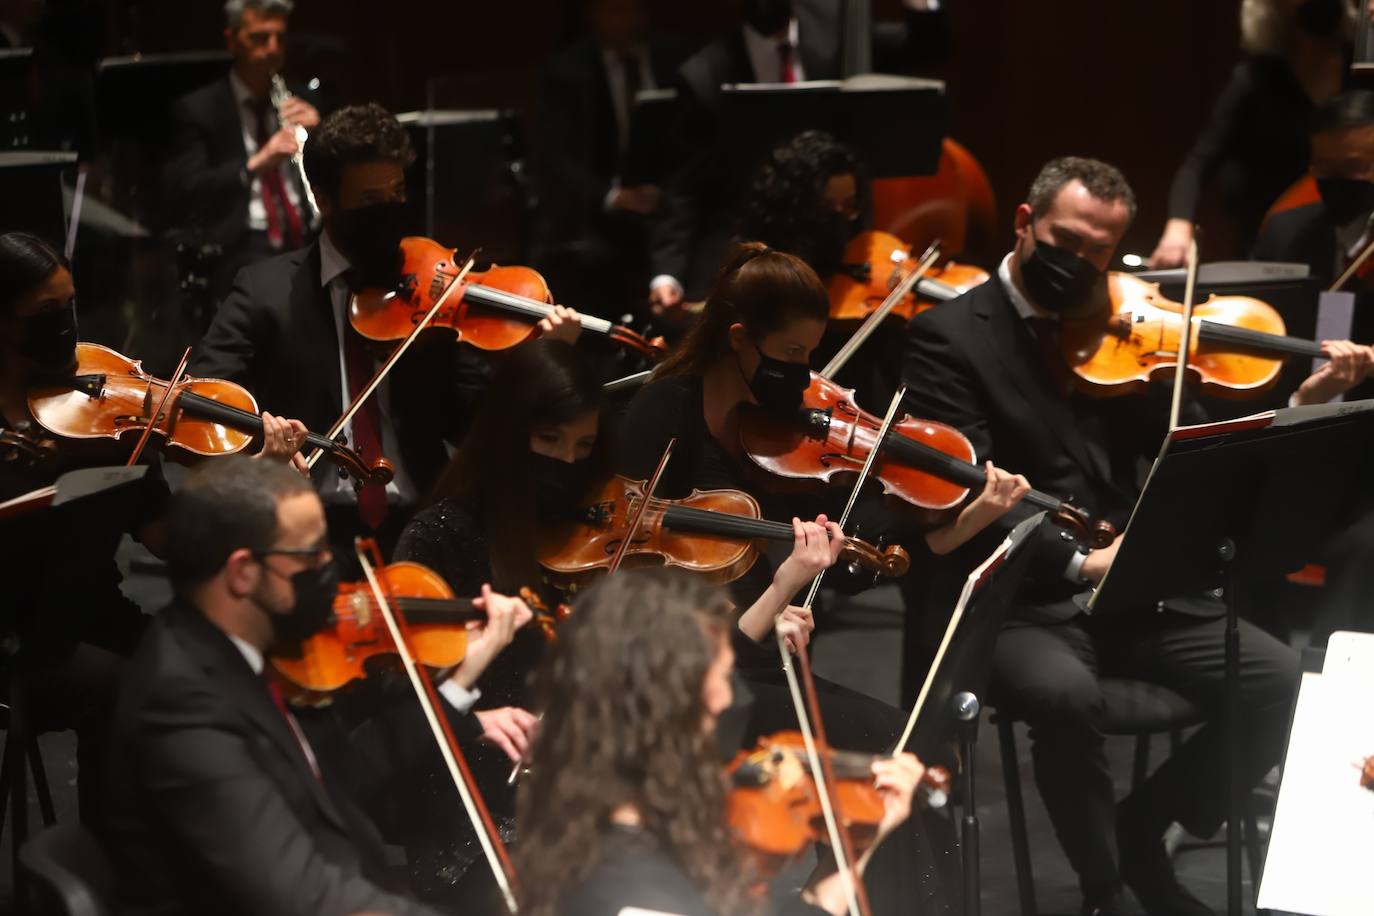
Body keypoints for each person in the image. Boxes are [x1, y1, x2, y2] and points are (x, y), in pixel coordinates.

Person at [901, 157, 1374, 915]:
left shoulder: (1120, 326)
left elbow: (1198, 440)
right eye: (1067, 240)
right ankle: (1107, 889)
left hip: (1130, 580)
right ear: (1024, 222)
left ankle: (1140, 829)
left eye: (1101, 250)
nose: (1082, 264)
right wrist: (1081, 561)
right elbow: (963, 481)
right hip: (1022, 592)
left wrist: (1306, 399)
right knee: (1063, 697)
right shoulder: (948, 337)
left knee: (1280, 682)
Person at [102, 455, 533, 915]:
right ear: (243, 572)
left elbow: (336, 781)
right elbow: (303, 893)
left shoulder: (250, 649)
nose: (331, 570)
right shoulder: (180, 704)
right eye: (310, 556)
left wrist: (455, 686)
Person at [0, 230, 303, 826]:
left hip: (89, 611)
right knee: (121, 689)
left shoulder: (103, 413)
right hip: (12, 634)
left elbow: (165, 533)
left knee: (209, 666)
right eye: (46, 313)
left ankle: (190, 851)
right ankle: (108, 867)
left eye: (71, 306)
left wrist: (250, 478)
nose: (66, 325)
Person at [190, 103, 578, 559]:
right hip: (305, 525)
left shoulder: (428, 294)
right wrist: (258, 448)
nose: (390, 212)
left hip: (423, 523)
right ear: (325, 198)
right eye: (371, 200)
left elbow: (475, 418)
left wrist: (537, 364)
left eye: (397, 193)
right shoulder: (265, 291)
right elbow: (204, 399)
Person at [514, 567, 928, 916]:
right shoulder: (632, 891)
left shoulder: (598, 818)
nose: (730, 697)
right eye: (722, 679)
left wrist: (853, 850)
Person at [649, 0, 952, 316]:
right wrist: (666, 274)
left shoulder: (834, 26)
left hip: (844, 231)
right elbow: (683, 187)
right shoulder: (705, 75)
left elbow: (929, 47)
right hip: (747, 232)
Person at [1149, 0, 1366, 266]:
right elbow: (1199, 162)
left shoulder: (1363, 70)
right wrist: (1178, 226)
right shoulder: (1255, 79)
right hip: (1273, 244)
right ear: (1271, 9)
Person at [534, 0, 688, 317]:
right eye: (616, 10)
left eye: (635, 9)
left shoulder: (674, 58)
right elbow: (557, 160)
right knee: (597, 262)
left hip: (668, 199)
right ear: (595, 13)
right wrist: (615, 197)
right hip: (596, 213)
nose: (627, 20)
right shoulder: (567, 71)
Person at [165, 0, 323, 308]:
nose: (272, 48)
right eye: (259, 38)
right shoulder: (200, 108)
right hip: (239, 242)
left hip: (304, 234)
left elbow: (335, 172)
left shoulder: (303, 100)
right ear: (232, 39)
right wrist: (256, 164)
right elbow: (188, 189)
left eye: (280, 37)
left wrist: (320, 133)